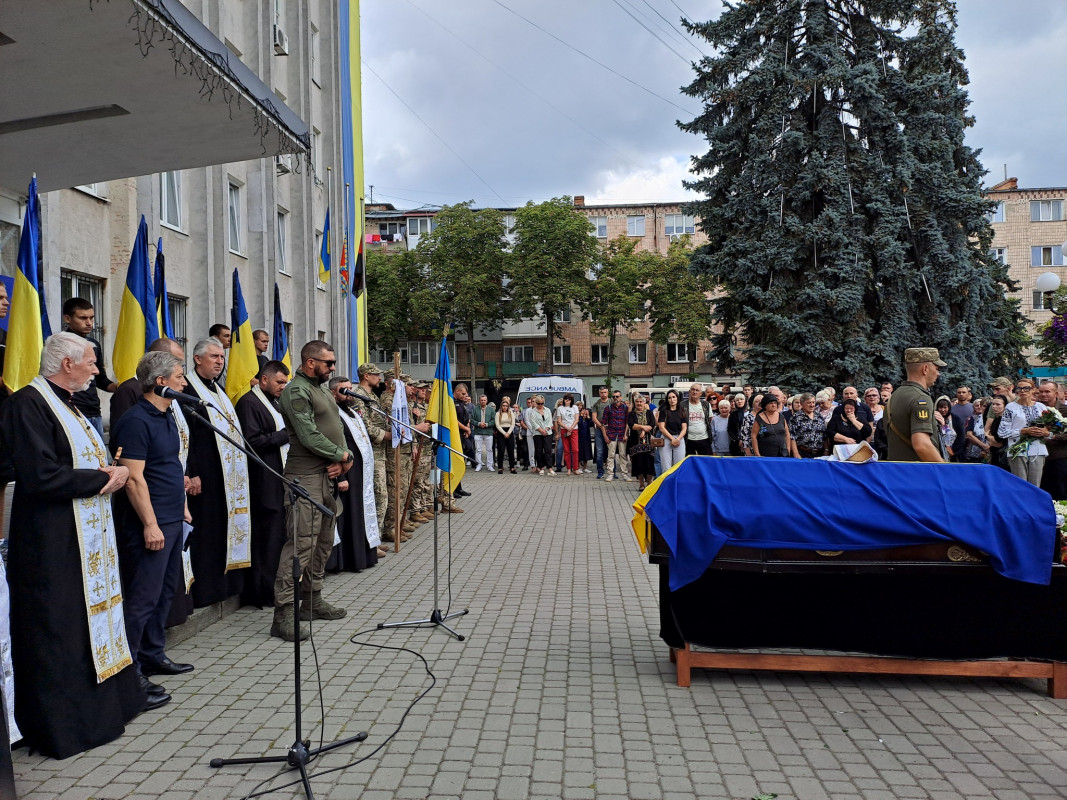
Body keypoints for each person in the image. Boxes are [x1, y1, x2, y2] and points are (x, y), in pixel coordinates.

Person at [0, 332, 144, 759]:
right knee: (58, 628)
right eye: (93, 363)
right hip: (51, 540)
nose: (98, 372)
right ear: (67, 364)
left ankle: (103, 711)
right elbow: (40, 476)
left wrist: (102, 473)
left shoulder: (68, 402)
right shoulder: (28, 403)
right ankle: (66, 727)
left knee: (87, 623)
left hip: (83, 537)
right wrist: (104, 480)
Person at [112, 351, 195, 709]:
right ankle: (129, 673)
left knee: (164, 592)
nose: (185, 382)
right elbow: (133, 479)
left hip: (173, 517)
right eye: (179, 377)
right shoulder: (136, 420)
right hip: (151, 522)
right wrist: (150, 524)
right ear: (161, 382)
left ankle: (152, 653)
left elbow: (171, 467)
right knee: (143, 597)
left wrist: (183, 508)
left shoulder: (168, 414)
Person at [271, 341, 352, 641]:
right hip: (303, 478)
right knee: (300, 545)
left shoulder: (320, 389)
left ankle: (312, 601)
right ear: (309, 363)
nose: (333, 367)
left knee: (323, 543)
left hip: (325, 478)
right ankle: (283, 614)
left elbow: (337, 431)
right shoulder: (297, 390)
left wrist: (344, 461)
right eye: (328, 363)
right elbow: (308, 435)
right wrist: (342, 457)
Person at [183, 337, 250, 607]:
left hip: (227, 475)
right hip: (205, 473)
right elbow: (186, 434)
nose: (220, 362)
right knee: (207, 531)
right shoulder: (187, 388)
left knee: (224, 527)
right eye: (214, 357)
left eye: (221, 358)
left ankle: (226, 586)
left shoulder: (218, 390)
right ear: (197, 359)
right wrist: (193, 471)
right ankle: (206, 589)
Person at [235, 360, 291, 607]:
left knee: (277, 534)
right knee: (266, 536)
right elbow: (252, 442)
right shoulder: (249, 402)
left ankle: (275, 587)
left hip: (278, 476)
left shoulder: (274, 402)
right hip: (262, 479)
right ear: (265, 379)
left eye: (285, 383)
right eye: (280, 382)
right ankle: (261, 591)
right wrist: (286, 434)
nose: (283, 387)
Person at [328, 376, 381, 572]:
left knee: (360, 513)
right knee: (347, 515)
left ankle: (363, 556)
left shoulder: (351, 412)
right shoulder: (332, 413)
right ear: (333, 393)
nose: (349, 393)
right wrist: (340, 477)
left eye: (351, 388)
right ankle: (346, 560)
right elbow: (333, 444)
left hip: (361, 473)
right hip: (346, 474)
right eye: (344, 390)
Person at [62, 297, 117, 437]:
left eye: (91, 318)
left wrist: (119, 387)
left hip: (94, 412)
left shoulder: (94, 344)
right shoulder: (59, 344)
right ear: (68, 319)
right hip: (71, 411)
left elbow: (100, 379)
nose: (89, 323)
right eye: (83, 318)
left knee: (98, 457)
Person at [883, 347, 946, 462]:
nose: (938, 374)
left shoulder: (894, 396)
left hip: (897, 471)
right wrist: (945, 470)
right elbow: (921, 445)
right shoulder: (921, 398)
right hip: (918, 473)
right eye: (937, 368)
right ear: (925, 369)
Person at [351, 363, 392, 530]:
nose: (380, 378)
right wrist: (387, 435)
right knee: (378, 494)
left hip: (380, 452)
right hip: (370, 452)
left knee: (381, 495)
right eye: (376, 374)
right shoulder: (358, 396)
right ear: (366, 376)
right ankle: (372, 539)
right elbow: (364, 426)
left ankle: (377, 536)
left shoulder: (372, 396)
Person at [998, 378, 1049, 487]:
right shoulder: (1011, 407)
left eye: (1026, 388)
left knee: (1035, 485)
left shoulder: (1041, 407)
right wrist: (1022, 431)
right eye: (1019, 388)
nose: (1022, 391)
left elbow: (1050, 430)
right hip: (1017, 450)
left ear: (1033, 390)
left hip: (1038, 449)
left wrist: (1045, 432)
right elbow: (1002, 432)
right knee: (1020, 484)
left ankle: (1034, 504)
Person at [1038, 382, 1067, 499]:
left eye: (1047, 391)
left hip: (1059, 457)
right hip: (1039, 457)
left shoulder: (1064, 410)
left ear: (1055, 393)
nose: (1043, 394)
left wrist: (1051, 435)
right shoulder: (1036, 408)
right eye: (1041, 392)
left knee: (1060, 491)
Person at [626, 394, 657, 489]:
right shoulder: (631, 414)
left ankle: (649, 484)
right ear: (635, 403)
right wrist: (643, 427)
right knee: (638, 463)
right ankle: (641, 484)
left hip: (648, 442)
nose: (639, 403)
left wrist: (644, 431)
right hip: (635, 442)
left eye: (641, 401)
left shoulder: (649, 413)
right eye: (637, 402)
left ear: (644, 403)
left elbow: (652, 424)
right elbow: (632, 425)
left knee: (649, 463)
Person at [750, 394, 795, 458]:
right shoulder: (759, 418)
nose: (773, 405)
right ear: (765, 405)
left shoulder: (781, 416)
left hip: (782, 454)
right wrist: (757, 454)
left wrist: (788, 449)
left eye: (775, 403)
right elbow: (753, 436)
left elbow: (787, 434)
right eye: (770, 403)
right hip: (766, 454)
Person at [601, 390, 630, 482]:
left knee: (623, 454)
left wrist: (626, 434)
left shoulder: (625, 408)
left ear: (621, 397)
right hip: (612, 434)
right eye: (613, 397)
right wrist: (605, 436)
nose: (615, 398)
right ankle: (610, 474)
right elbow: (603, 423)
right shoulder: (608, 408)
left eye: (617, 396)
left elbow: (627, 423)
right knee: (611, 454)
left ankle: (624, 474)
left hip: (622, 434)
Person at [657, 389, 688, 470]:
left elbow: (684, 428)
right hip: (666, 439)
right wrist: (672, 439)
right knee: (666, 467)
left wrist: (677, 439)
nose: (672, 400)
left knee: (678, 466)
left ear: (677, 398)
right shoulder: (664, 411)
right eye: (669, 398)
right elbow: (661, 427)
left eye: (674, 397)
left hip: (679, 439)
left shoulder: (682, 410)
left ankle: (677, 482)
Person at [790, 392, 826, 458]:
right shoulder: (796, 417)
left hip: (819, 454)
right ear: (802, 404)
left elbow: (825, 436)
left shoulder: (819, 416)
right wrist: (796, 453)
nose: (812, 405)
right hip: (803, 453)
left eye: (813, 402)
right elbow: (792, 437)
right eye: (809, 402)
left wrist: (826, 450)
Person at [525, 395, 554, 475]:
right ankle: (541, 467)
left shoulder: (547, 410)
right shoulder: (532, 411)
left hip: (548, 432)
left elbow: (550, 421)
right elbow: (533, 422)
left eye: (542, 403)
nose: (540, 405)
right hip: (537, 433)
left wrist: (546, 429)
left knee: (548, 450)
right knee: (539, 451)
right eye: (539, 403)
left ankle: (550, 468)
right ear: (536, 403)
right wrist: (541, 430)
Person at [683, 384, 712, 456]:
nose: (694, 392)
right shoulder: (682, 405)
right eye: (693, 390)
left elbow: (710, 419)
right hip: (688, 439)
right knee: (689, 462)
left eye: (697, 390)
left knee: (706, 461)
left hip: (704, 438)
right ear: (689, 392)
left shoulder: (706, 404)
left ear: (701, 393)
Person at [556, 393, 580, 475]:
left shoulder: (575, 407)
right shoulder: (560, 408)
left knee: (575, 450)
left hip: (574, 430)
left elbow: (576, 419)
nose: (567, 400)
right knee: (566, 450)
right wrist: (567, 428)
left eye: (569, 399)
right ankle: (569, 468)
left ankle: (576, 468)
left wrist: (571, 428)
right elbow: (559, 421)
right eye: (566, 398)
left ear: (571, 400)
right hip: (564, 430)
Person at [472, 394, 496, 472]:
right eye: (481, 400)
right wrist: (478, 423)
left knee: (489, 449)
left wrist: (487, 424)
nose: (483, 401)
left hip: (488, 432)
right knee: (478, 450)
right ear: (479, 401)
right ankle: (478, 464)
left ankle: (490, 465)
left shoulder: (491, 410)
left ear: (487, 401)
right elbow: (472, 420)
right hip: (478, 432)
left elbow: (494, 420)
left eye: (484, 400)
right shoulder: (475, 409)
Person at [590, 386, 611, 478]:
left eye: (605, 392)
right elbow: (594, 418)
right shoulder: (596, 404)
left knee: (611, 451)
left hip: (611, 429)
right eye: (601, 392)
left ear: (608, 393)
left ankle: (612, 472)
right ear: (599, 393)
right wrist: (602, 426)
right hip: (599, 430)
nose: (603, 394)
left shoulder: (612, 402)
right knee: (599, 452)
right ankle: (600, 472)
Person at [985, 395, 1009, 470]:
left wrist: (988, 436)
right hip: (995, 454)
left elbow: (999, 441)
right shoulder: (996, 419)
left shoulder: (1006, 421)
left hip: (1003, 456)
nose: (994, 407)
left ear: (1005, 406)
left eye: (998, 404)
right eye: (993, 404)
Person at [963, 397, 991, 464]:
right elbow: (969, 435)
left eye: (988, 406)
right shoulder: (974, 418)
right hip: (974, 453)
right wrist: (983, 446)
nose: (986, 408)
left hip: (990, 453)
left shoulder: (995, 419)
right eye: (984, 406)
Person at [495, 396, 518, 473]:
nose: (505, 407)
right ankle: (500, 467)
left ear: (508, 406)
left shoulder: (511, 413)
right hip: (501, 432)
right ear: (501, 406)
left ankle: (512, 467)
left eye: (506, 406)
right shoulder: (498, 414)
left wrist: (508, 432)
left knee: (510, 450)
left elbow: (513, 423)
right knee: (501, 450)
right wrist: (504, 433)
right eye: (503, 406)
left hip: (509, 431)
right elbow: (497, 425)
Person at [576, 402, 593, 472]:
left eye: (580, 405)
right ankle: (579, 467)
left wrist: (588, 416)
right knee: (579, 452)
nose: (579, 407)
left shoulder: (586, 418)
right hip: (579, 436)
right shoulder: (577, 415)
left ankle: (585, 467)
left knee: (586, 452)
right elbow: (579, 424)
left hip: (587, 437)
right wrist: (580, 416)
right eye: (578, 405)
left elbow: (591, 424)